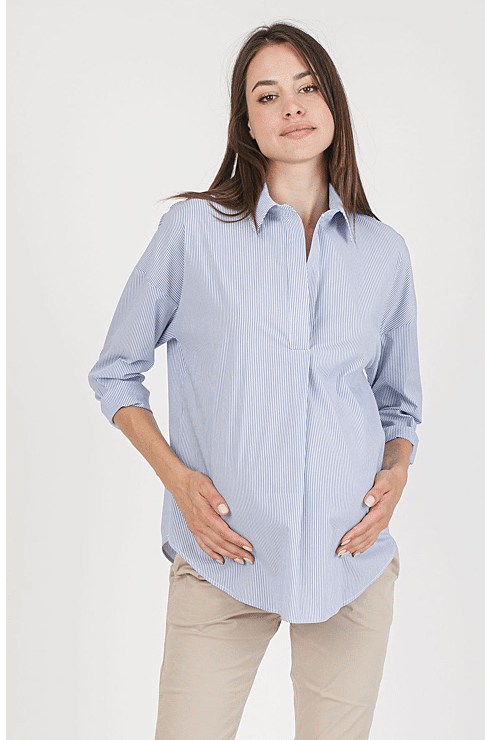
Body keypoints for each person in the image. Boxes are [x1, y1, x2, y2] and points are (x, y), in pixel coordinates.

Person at [88, 21, 423, 740]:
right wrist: (180, 483)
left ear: (333, 103)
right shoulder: (193, 233)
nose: (291, 107)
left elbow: (398, 406)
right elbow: (116, 373)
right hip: (222, 561)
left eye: (307, 88)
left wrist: (397, 472)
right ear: (246, 122)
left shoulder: (384, 253)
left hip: (350, 565)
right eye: (267, 96)